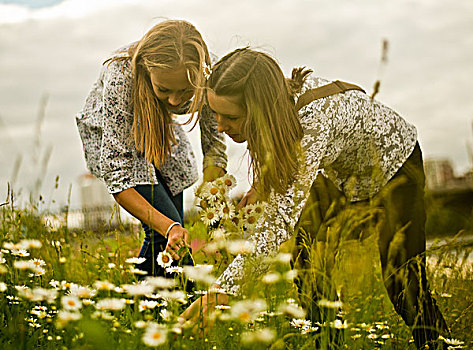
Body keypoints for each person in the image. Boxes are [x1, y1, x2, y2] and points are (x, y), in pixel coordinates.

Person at [182, 48, 450, 349]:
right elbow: (283, 153)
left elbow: (279, 222)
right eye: (215, 113)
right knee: (305, 255)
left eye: (230, 117)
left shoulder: (312, 125)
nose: (219, 126)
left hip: (394, 166)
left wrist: (224, 290)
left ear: (261, 110)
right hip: (338, 171)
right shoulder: (278, 109)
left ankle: (437, 344)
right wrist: (262, 183)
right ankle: (329, 343)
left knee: (402, 279)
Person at [75, 20, 227, 279]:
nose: (176, 101)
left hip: (161, 134)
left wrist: (215, 207)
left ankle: (149, 309)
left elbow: (214, 144)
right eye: (164, 89)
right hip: (117, 138)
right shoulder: (121, 74)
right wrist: (169, 228)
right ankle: (187, 306)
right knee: (166, 229)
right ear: (147, 70)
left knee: (170, 233)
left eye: (185, 91)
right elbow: (118, 176)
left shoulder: (211, 73)